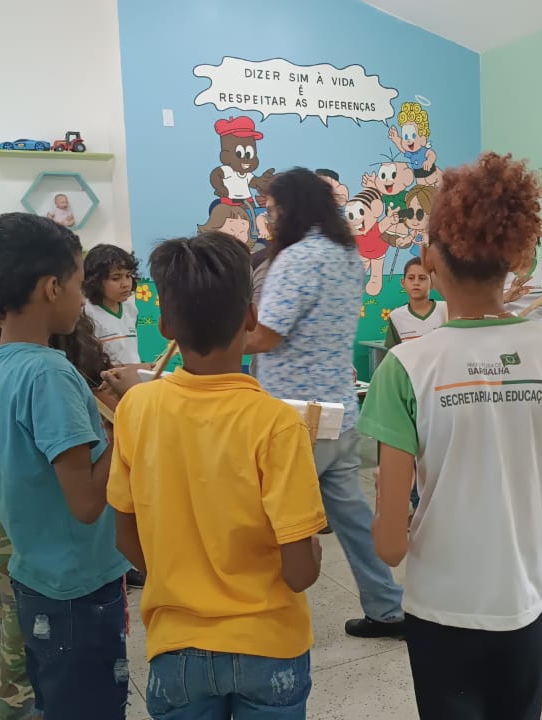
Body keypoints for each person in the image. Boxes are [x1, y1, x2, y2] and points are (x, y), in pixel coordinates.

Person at [359, 152, 542, 720]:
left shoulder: (405, 367)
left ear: (429, 258)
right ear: (519, 259)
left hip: (441, 606)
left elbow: (390, 545)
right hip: (527, 600)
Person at [107, 233, 325, 719]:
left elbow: (124, 532)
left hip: (175, 648)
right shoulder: (277, 423)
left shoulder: (136, 408)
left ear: (164, 323)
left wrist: (176, 573)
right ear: (251, 318)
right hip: (270, 646)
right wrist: (312, 545)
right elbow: (300, 573)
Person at [0, 213, 131, 720]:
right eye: (81, 285)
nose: (83, 298)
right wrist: (126, 425)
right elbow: (85, 504)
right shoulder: (51, 372)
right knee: (92, 706)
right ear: (51, 287)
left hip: (34, 576)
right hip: (80, 587)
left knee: (57, 700)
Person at [243, 167, 405, 638]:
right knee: (352, 516)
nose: (268, 219)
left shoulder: (294, 260)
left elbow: (267, 337)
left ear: (291, 208)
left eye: (272, 210)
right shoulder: (346, 254)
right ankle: (387, 607)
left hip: (294, 419)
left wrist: (214, 341)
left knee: (273, 522)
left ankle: (264, 617)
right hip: (338, 409)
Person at [83, 244, 140, 366]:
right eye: (116, 278)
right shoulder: (87, 313)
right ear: (95, 281)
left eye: (128, 276)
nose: (125, 284)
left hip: (133, 380)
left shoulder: (131, 310)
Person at [504, 239, 542, 328]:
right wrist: (505, 298)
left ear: (537, 239)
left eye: (530, 236)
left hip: (541, 336)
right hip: (507, 335)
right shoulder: (494, 273)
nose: (525, 241)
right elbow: (479, 312)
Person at [386, 257, 447, 349]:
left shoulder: (446, 309)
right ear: (403, 283)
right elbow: (393, 353)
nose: (416, 283)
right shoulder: (396, 317)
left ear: (432, 283)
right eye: (411, 278)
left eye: (422, 278)